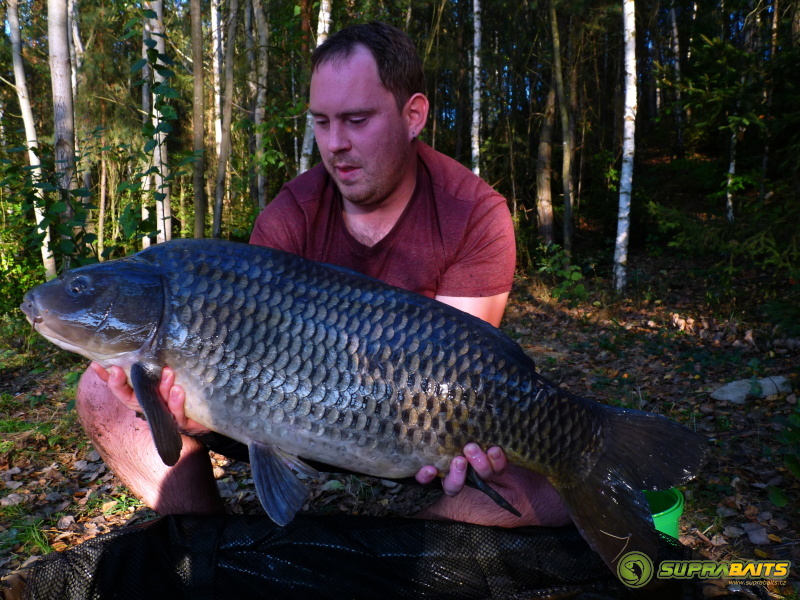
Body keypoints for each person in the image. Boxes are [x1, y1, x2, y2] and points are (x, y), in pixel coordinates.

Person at [76, 21, 570, 528]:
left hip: (411, 429)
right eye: (321, 122)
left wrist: (465, 444)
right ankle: (206, 542)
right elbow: (243, 363)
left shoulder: (473, 213)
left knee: (551, 492)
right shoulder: (291, 215)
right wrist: (188, 411)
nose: (335, 144)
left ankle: (402, 552)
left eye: (356, 120)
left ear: (414, 115)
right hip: (286, 412)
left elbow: (463, 369)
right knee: (101, 392)